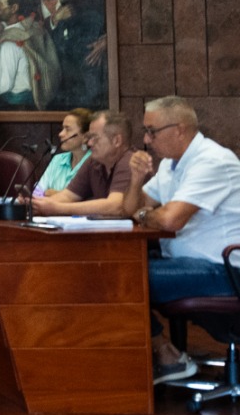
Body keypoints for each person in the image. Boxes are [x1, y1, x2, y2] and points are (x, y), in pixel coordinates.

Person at [119, 97, 240, 384]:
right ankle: (164, 353)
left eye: (152, 131)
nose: (146, 140)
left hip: (223, 271)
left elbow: (171, 220)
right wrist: (136, 180)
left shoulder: (212, 161)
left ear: (180, 130)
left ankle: (167, 356)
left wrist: (145, 213)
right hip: (188, 263)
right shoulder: (170, 165)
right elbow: (130, 209)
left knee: (120, 275)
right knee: (114, 265)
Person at [32, 110, 133, 218]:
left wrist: (58, 208)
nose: (89, 143)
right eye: (89, 138)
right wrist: (35, 204)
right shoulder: (94, 161)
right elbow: (68, 195)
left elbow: (115, 205)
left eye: (95, 138)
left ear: (116, 141)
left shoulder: (130, 161)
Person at [32, 108, 95, 195]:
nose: (60, 134)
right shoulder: (58, 159)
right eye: (62, 129)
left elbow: (87, 199)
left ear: (85, 137)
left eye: (68, 129)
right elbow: (37, 193)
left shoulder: (95, 162)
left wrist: (54, 193)